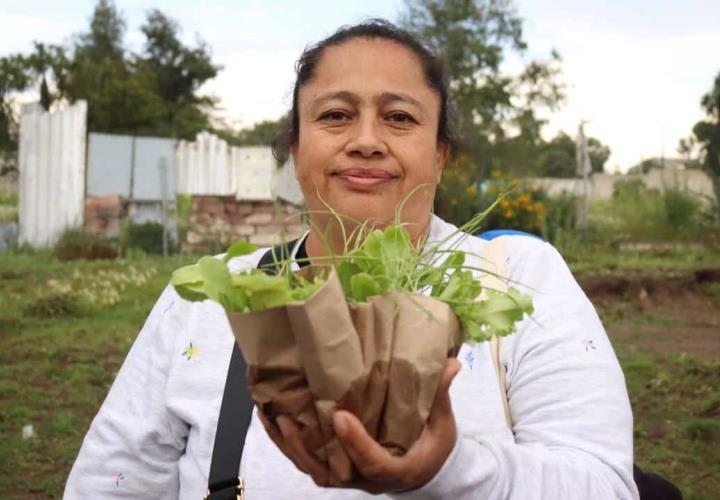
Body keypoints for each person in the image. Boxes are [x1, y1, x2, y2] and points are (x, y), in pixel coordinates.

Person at [65, 20, 639, 499]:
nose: (366, 139)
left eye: (400, 118)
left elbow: (604, 484)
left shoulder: (518, 279)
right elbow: (112, 484)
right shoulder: (213, 298)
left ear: (439, 157)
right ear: (296, 150)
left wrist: (448, 469)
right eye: (335, 115)